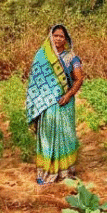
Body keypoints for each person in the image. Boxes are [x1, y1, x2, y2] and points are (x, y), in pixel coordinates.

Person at [25, 24, 84, 185]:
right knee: (47, 137)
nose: (58, 39)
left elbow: (79, 79)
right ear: (50, 37)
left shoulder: (71, 57)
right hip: (46, 104)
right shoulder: (42, 56)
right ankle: (46, 172)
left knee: (64, 136)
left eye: (61, 36)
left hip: (64, 103)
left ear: (66, 39)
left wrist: (68, 95)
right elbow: (35, 81)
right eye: (55, 35)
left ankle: (65, 173)